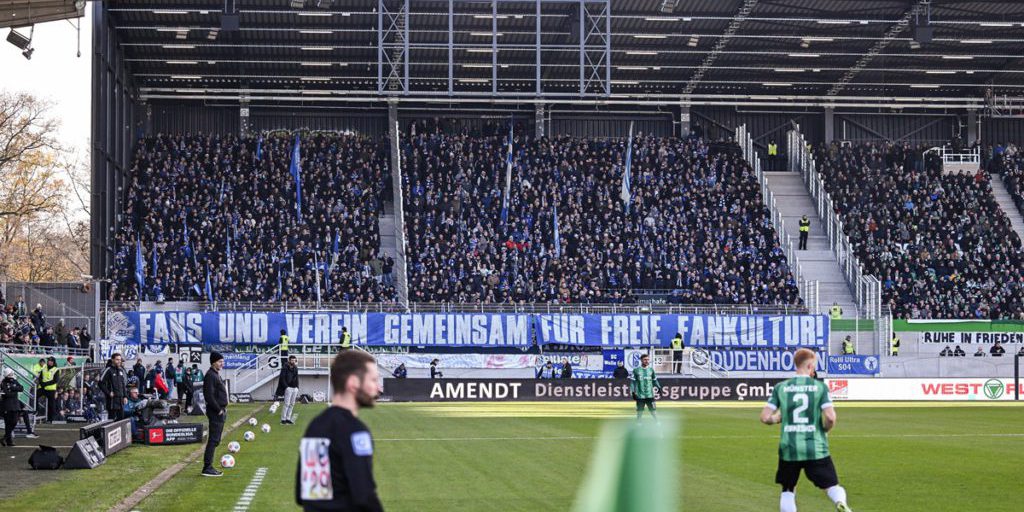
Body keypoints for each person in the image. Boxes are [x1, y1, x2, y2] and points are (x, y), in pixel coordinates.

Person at [760, 348, 852, 512]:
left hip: (789, 448)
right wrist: (825, 429)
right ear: (810, 365)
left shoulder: (781, 387)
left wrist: (777, 418)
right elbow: (831, 417)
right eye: (814, 366)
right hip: (815, 447)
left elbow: (765, 417)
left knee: (788, 490)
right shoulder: (820, 387)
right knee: (831, 485)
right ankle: (840, 502)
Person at [295, 350, 384, 511]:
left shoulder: (315, 426)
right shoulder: (355, 431)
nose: (378, 388)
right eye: (373, 380)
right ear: (353, 383)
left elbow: (305, 495)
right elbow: (364, 496)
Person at [201, 351, 228, 477]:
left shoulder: (216, 374)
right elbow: (209, 396)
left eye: (222, 361)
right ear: (213, 362)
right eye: (220, 361)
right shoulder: (210, 375)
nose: (222, 364)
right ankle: (207, 467)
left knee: (216, 440)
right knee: (213, 440)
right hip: (215, 412)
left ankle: (209, 466)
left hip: (220, 411)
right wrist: (218, 409)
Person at [630, 354, 661, 423]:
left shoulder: (651, 370)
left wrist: (659, 387)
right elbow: (632, 382)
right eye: (645, 359)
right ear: (641, 360)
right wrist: (632, 392)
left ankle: (658, 423)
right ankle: (638, 424)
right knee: (639, 411)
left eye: (647, 359)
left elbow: (655, 380)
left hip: (650, 395)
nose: (646, 361)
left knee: (653, 411)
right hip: (640, 395)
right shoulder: (636, 370)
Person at [99, 353, 128, 421]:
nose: (119, 361)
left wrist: (125, 396)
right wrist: (108, 393)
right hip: (112, 400)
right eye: (117, 359)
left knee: (121, 419)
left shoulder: (121, 370)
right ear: (112, 360)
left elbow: (123, 384)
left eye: (120, 360)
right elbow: (100, 383)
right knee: (112, 420)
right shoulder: (108, 370)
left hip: (120, 400)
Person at [2, 367, 24, 447]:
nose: (11, 375)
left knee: (14, 421)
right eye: (10, 374)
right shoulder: (3, 382)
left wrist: (12, 388)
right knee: (8, 424)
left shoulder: (14, 381)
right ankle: (9, 441)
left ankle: (4, 437)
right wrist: (14, 391)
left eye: (12, 374)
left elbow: (21, 388)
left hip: (15, 405)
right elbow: (7, 394)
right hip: (7, 405)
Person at [280, 355, 300, 425]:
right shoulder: (285, 367)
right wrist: (286, 387)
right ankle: (283, 419)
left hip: (295, 388)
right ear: (289, 360)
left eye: (294, 360)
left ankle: (288, 418)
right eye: (292, 360)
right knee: (286, 404)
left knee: (292, 404)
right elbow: (282, 378)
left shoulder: (295, 368)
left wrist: (297, 387)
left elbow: (297, 378)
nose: (293, 362)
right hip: (288, 388)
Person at [40, 357, 59, 422]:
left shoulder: (56, 369)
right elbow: (40, 377)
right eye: (48, 360)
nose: (49, 362)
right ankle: (36, 411)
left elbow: (55, 380)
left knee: (51, 405)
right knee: (35, 396)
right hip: (43, 388)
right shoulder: (44, 368)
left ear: (53, 362)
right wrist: (42, 383)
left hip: (51, 389)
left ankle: (51, 419)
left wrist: (45, 384)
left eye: (50, 361)